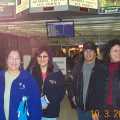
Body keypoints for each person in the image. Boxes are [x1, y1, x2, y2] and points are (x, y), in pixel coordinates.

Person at [0, 48, 42, 120]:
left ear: (21, 61)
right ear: (6, 60)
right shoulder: (1, 77)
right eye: (11, 58)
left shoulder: (28, 79)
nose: (14, 61)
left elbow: (36, 105)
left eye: (17, 58)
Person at [27, 45, 65, 120]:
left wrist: (47, 101)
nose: (42, 59)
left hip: (51, 112)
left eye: (45, 56)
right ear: (36, 58)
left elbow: (61, 91)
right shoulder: (30, 72)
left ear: (49, 58)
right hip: (33, 110)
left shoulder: (56, 73)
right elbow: (27, 90)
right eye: (39, 56)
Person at [67, 41, 102, 120]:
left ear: (95, 53)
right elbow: (69, 82)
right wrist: (72, 96)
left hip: (94, 109)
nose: (88, 53)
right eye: (86, 51)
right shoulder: (78, 66)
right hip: (80, 108)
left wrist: (98, 109)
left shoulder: (101, 67)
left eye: (91, 51)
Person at [90, 39, 120, 120]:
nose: (118, 53)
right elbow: (93, 92)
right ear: (109, 53)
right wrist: (94, 111)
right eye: (115, 50)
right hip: (103, 110)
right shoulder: (100, 69)